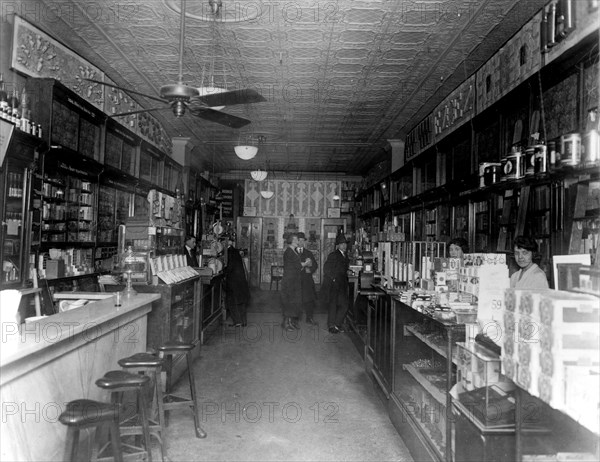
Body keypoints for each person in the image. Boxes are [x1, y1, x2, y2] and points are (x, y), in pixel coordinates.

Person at [280, 233, 311, 331]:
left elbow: (296, 265)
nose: (299, 241)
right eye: (297, 240)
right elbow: (298, 266)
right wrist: (306, 263)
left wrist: (303, 264)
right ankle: (285, 324)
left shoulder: (292, 251)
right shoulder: (289, 251)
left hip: (293, 280)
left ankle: (289, 323)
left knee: (292, 302)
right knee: (289, 302)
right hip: (290, 281)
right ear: (293, 241)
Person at [321, 234, 350, 334]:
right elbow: (326, 269)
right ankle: (331, 326)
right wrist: (333, 279)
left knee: (344, 305)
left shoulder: (345, 255)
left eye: (345, 244)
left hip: (342, 284)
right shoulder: (333, 255)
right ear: (338, 245)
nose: (344, 246)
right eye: (342, 244)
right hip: (334, 285)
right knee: (333, 305)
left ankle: (337, 324)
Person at [223, 233, 250, 327]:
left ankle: (237, 321)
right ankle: (243, 321)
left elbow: (229, 267)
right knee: (241, 301)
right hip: (240, 280)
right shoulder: (236, 251)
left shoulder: (228, 252)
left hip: (232, 281)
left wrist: (223, 271)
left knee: (231, 301)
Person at [296, 232, 318, 326]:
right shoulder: (292, 252)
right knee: (296, 299)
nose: (301, 242)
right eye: (299, 240)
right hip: (296, 280)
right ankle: (295, 318)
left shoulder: (308, 253)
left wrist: (311, 269)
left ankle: (309, 318)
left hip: (307, 281)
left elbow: (315, 265)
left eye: (302, 240)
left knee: (309, 300)